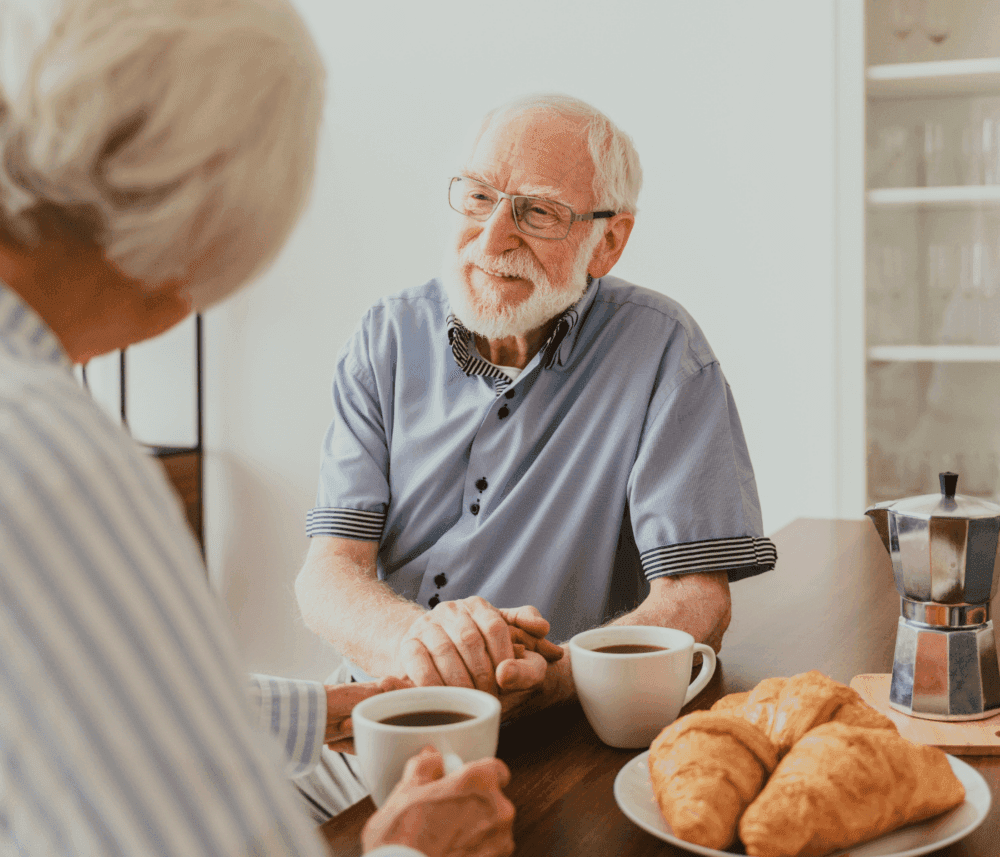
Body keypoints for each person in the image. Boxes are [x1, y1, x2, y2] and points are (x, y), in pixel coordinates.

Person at [0, 1, 515, 855]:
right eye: (480, 198)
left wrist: (328, 709)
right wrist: (414, 850)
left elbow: (81, 694)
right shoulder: (55, 459)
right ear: (207, 227)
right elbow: (326, 576)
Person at [296, 93, 778, 715]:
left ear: (608, 243)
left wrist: (562, 675)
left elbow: (695, 600)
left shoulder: (663, 349)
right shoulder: (384, 337)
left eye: (539, 212)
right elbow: (329, 572)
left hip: (565, 726)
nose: (494, 238)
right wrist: (420, 643)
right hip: (379, 708)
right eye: (478, 197)